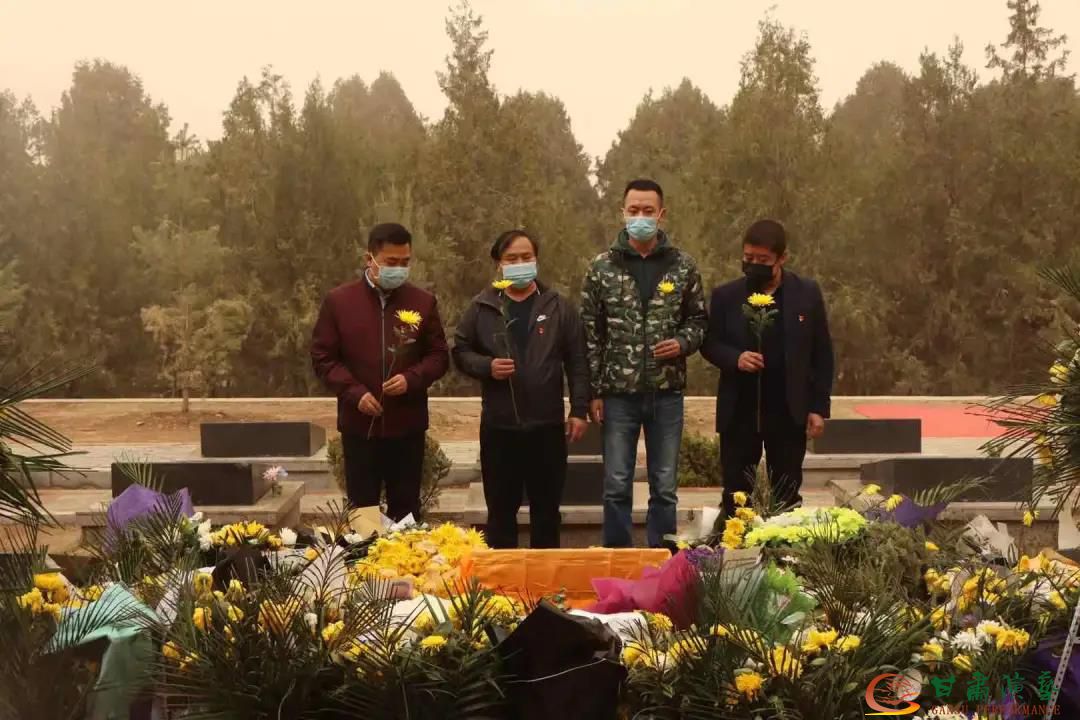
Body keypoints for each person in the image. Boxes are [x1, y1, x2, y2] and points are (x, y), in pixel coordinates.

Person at [581, 179, 708, 548]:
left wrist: (682, 343)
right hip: (617, 395)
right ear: (622, 213)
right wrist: (593, 392)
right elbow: (590, 333)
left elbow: (699, 321)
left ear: (661, 214)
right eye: (634, 210)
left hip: (666, 394)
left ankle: (662, 561)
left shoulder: (683, 266)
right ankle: (618, 559)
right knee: (616, 484)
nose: (641, 217)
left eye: (648, 211)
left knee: (664, 486)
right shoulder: (602, 267)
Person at [452, 230, 589, 549]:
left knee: (546, 512)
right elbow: (459, 351)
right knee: (501, 512)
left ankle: (546, 577)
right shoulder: (483, 307)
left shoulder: (558, 307)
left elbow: (578, 360)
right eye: (512, 258)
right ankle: (503, 578)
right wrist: (487, 366)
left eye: (526, 257)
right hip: (500, 427)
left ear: (536, 260)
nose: (520, 263)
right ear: (499, 264)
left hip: (546, 426)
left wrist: (579, 409)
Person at [310, 222, 449, 521]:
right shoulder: (339, 302)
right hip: (360, 426)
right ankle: (364, 552)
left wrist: (412, 378)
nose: (398, 269)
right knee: (364, 515)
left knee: (406, 513)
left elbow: (439, 356)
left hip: (407, 426)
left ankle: (405, 551)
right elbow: (323, 358)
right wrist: (354, 392)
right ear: (369, 259)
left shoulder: (422, 302)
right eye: (391, 262)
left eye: (405, 262)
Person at [701, 219, 834, 517]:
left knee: (786, 496)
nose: (754, 266)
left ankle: (783, 544)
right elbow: (708, 343)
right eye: (748, 258)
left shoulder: (806, 293)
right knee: (736, 496)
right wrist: (735, 358)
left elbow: (822, 353)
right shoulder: (726, 296)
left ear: (782, 258)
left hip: (788, 412)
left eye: (763, 261)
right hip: (739, 412)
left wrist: (818, 407)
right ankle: (734, 543)